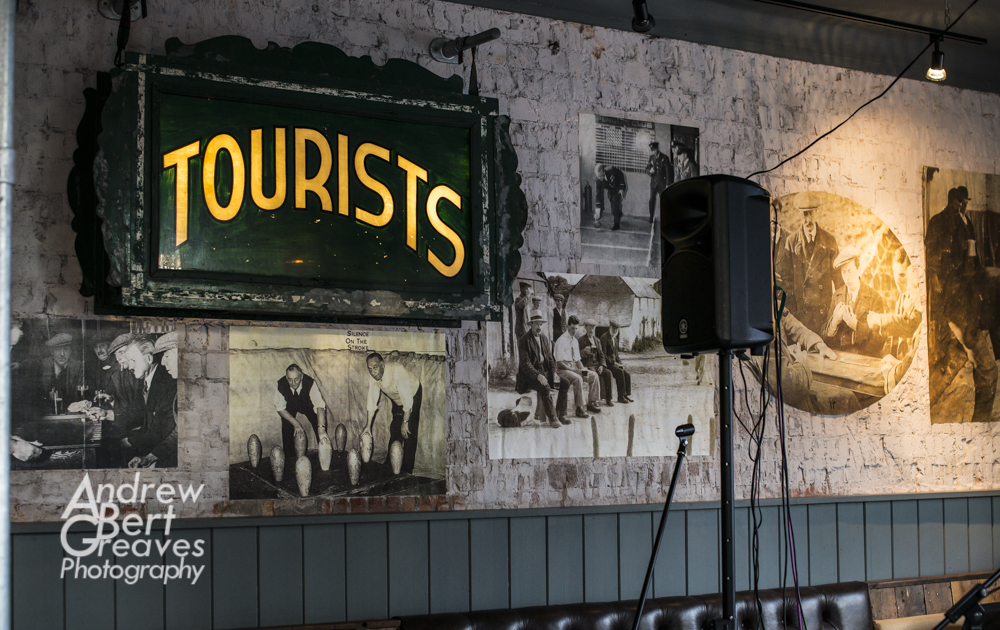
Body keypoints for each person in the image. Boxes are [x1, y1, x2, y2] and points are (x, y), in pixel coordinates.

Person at [926, 185, 997, 421]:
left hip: (967, 295)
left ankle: (980, 420)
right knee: (984, 369)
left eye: (965, 202)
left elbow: (971, 256)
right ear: (951, 200)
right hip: (952, 301)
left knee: (985, 368)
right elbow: (934, 262)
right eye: (959, 201)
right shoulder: (942, 223)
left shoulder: (966, 223)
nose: (962, 205)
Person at [776, 197, 840, 334]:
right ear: (799, 214)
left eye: (811, 213)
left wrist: (833, 312)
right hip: (801, 315)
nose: (808, 219)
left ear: (816, 212)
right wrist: (794, 312)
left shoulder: (829, 241)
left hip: (824, 314)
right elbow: (786, 283)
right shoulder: (791, 242)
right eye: (804, 214)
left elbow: (839, 280)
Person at [867, 249, 923, 388]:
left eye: (903, 275)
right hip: (898, 367)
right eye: (895, 273)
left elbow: (908, 326)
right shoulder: (901, 297)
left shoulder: (918, 299)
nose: (898, 280)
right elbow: (894, 337)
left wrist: (879, 319)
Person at [122, 336, 177, 468]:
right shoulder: (146, 381)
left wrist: (128, 442)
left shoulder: (166, 382)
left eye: (133, 360)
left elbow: (161, 430)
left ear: (148, 359)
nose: (129, 366)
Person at [364, 352, 422, 474]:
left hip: (412, 395)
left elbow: (407, 401)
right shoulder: (373, 377)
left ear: (382, 365)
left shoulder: (397, 371)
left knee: (408, 432)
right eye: (369, 369)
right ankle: (390, 463)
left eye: (375, 367)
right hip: (397, 399)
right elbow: (371, 401)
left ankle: (407, 469)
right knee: (395, 429)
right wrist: (368, 427)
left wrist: (405, 422)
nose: (373, 372)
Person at [822, 247, 885, 357]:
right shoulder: (837, 296)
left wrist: (856, 325)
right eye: (844, 272)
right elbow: (824, 338)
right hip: (840, 357)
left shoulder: (875, 298)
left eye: (850, 271)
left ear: (858, 269)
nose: (847, 277)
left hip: (864, 359)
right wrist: (834, 322)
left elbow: (879, 342)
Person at [516, 310, 570, 427]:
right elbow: (525, 364)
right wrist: (537, 376)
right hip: (529, 376)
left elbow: (550, 359)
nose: (539, 327)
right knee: (545, 388)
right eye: (536, 324)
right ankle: (553, 418)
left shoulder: (544, 339)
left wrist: (554, 373)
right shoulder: (524, 340)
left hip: (545, 372)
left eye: (541, 324)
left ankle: (562, 414)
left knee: (565, 382)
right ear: (531, 325)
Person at [274, 363, 328, 460]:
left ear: (301, 376)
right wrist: (296, 423)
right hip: (290, 406)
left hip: (307, 405)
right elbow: (280, 408)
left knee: (319, 423)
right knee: (286, 425)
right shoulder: (281, 384)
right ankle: (290, 458)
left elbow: (320, 406)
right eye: (290, 379)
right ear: (286, 377)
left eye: (296, 379)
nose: (293, 383)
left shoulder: (310, 382)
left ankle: (324, 456)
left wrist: (321, 429)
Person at [554, 315, 602, 418]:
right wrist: (573, 370)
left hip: (574, 367)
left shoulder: (575, 341)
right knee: (578, 378)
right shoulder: (561, 340)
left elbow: (577, 359)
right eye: (572, 328)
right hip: (563, 369)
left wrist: (583, 369)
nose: (574, 331)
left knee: (593, 375)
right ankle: (579, 408)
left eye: (576, 329)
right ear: (567, 326)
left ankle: (591, 402)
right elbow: (559, 363)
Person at [40, 333, 86, 411]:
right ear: (52, 352)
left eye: (66, 349)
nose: (62, 354)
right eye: (57, 349)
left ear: (71, 351)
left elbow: (81, 395)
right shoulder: (43, 366)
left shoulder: (78, 367)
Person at [580, 318, 614, 407]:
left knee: (608, 373)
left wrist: (602, 365)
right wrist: (583, 351)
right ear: (585, 328)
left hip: (597, 364)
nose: (592, 330)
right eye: (590, 328)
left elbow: (602, 355)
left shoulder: (597, 340)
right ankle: (593, 400)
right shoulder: (581, 340)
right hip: (587, 365)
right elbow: (577, 356)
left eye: (593, 328)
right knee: (595, 375)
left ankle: (608, 399)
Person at [600, 320, 632, 403]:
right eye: (614, 329)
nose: (615, 331)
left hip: (614, 364)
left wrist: (620, 363)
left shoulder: (615, 339)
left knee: (627, 374)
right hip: (607, 364)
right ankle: (620, 397)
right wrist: (614, 362)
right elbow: (603, 354)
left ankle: (625, 395)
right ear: (610, 328)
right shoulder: (604, 338)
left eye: (617, 330)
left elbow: (616, 355)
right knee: (620, 372)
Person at [595, 163, 628, 231]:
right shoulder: (598, 181)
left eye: (601, 176)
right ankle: (618, 213)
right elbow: (598, 195)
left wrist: (621, 188)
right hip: (611, 190)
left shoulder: (611, 170)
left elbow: (621, 174)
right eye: (598, 177)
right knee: (613, 205)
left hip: (619, 188)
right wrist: (598, 211)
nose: (600, 178)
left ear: (603, 171)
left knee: (614, 202)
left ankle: (616, 225)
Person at [646, 141, 672, 223]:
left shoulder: (665, 158)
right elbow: (646, 169)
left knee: (664, 201)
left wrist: (668, 184)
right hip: (653, 183)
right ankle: (651, 217)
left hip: (662, 183)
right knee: (651, 200)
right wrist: (650, 171)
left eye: (655, 149)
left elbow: (668, 172)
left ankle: (666, 217)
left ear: (658, 148)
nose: (654, 151)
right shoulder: (651, 158)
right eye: (652, 150)